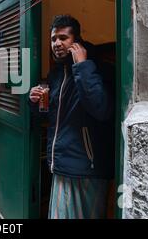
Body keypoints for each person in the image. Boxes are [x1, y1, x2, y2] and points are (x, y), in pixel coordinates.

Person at [29, 15, 115, 219]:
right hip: (61, 164)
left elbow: (102, 109)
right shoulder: (57, 75)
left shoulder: (98, 68)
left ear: (76, 41)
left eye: (63, 37)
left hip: (86, 169)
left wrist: (83, 66)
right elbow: (49, 117)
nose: (57, 43)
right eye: (53, 39)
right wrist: (34, 102)